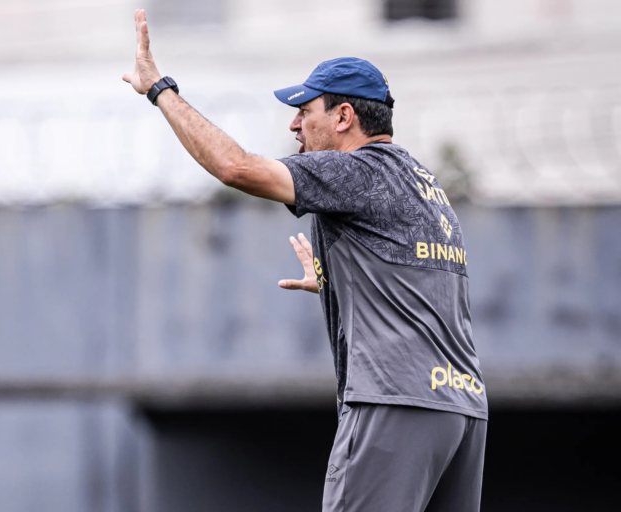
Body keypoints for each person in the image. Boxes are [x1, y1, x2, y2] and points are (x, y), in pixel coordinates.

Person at [122, 9, 487, 512]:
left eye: (305, 110)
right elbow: (422, 277)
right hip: (462, 409)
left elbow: (235, 167)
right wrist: (340, 280)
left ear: (343, 117)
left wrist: (160, 90)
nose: (294, 123)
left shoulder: (355, 170)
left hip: (395, 402)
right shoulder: (422, 182)